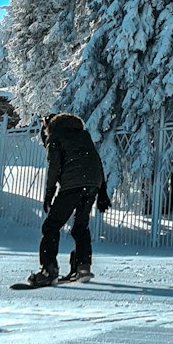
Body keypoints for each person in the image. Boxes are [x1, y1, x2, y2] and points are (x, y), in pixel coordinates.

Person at [27, 111, 111, 286]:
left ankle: (48, 270)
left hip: (73, 184)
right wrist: (102, 190)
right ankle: (83, 268)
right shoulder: (83, 135)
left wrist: (49, 192)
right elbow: (96, 161)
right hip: (92, 183)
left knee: (51, 226)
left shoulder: (56, 135)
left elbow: (54, 166)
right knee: (80, 227)